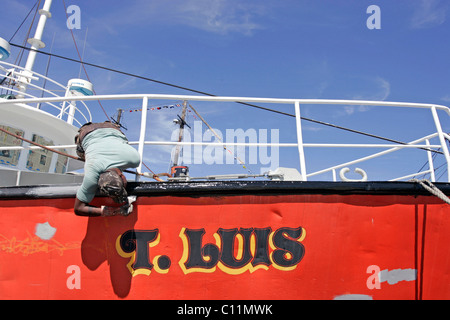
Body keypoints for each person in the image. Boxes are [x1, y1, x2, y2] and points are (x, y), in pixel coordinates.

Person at [73, 121, 140, 217]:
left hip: (109, 130)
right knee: (86, 153)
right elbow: (78, 209)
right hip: (97, 131)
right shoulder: (91, 174)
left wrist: (112, 211)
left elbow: (78, 208)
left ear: (122, 177)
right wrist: (112, 211)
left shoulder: (134, 159)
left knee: (85, 153)